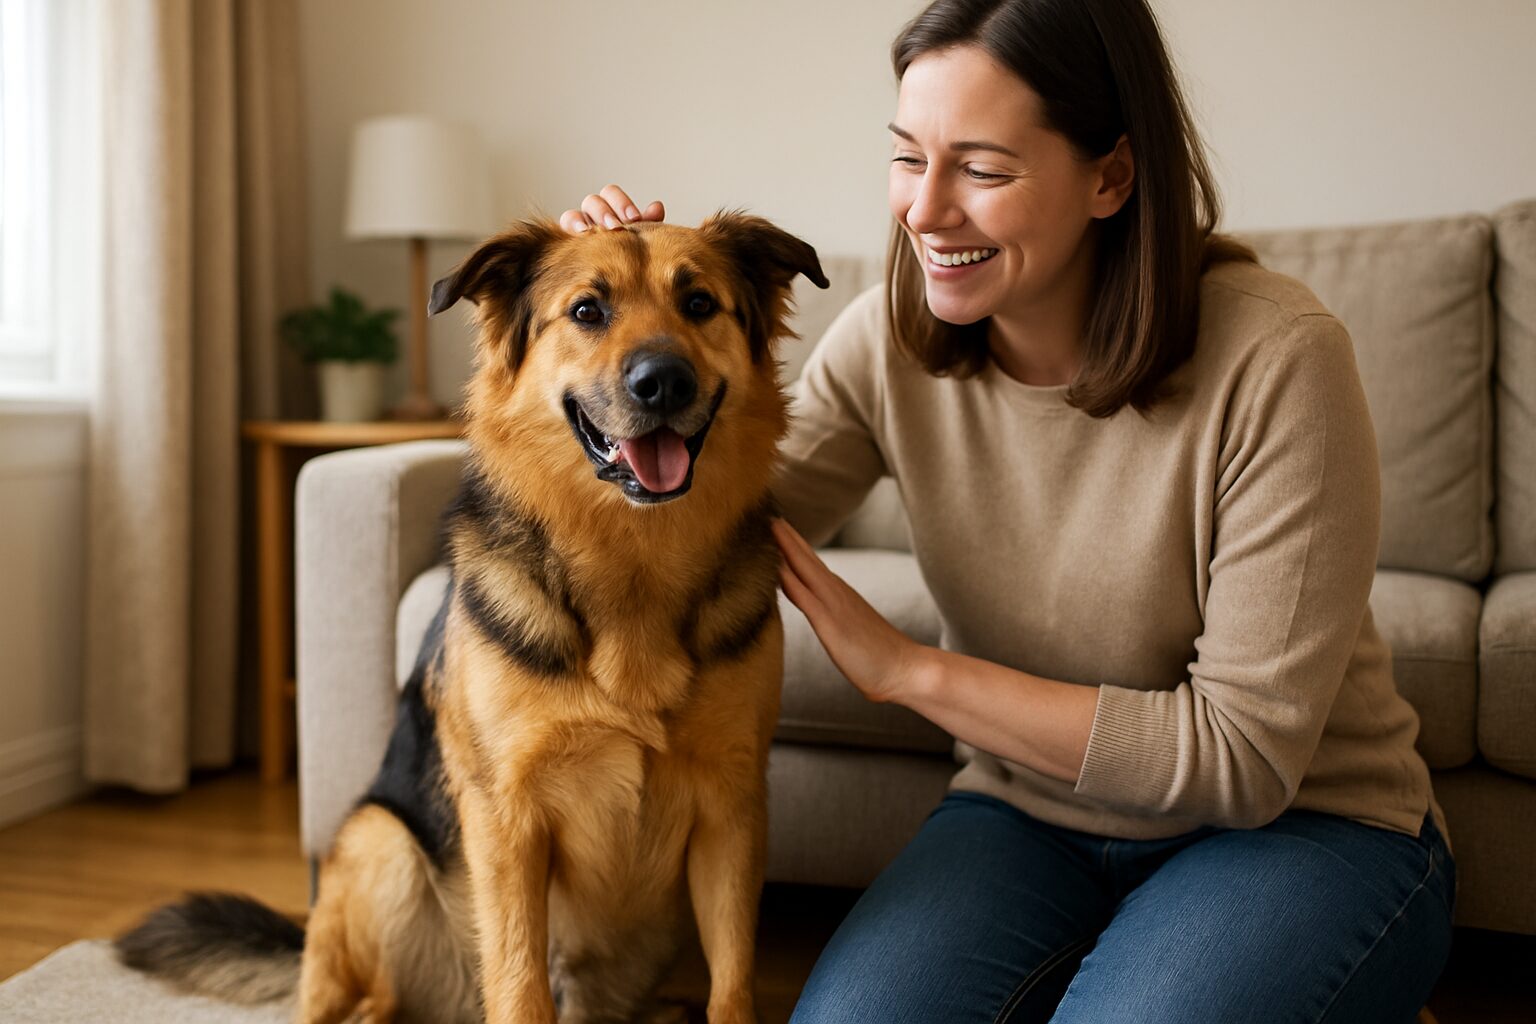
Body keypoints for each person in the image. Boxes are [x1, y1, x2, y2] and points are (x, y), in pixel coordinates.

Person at [561, 0, 1454, 1020]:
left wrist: (910, 671)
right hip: (1030, 815)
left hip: (1304, 826)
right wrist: (610, 330)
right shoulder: (888, 343)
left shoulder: (1280, 359)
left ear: (1111, 176)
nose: (925, 210)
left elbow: (1241, 761)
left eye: (981, 169)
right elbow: (693, 521)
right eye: (907, 156)